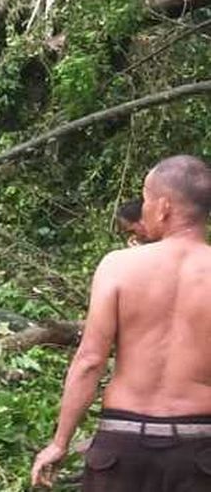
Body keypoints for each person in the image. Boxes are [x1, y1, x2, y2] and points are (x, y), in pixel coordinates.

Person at [31, 155, 211, 491]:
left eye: (144, 199)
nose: (142, 209)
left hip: (123, 445)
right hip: (199, 450)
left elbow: (90, 360)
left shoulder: (119, 266)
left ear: (163, 207)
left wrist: (60, 442)